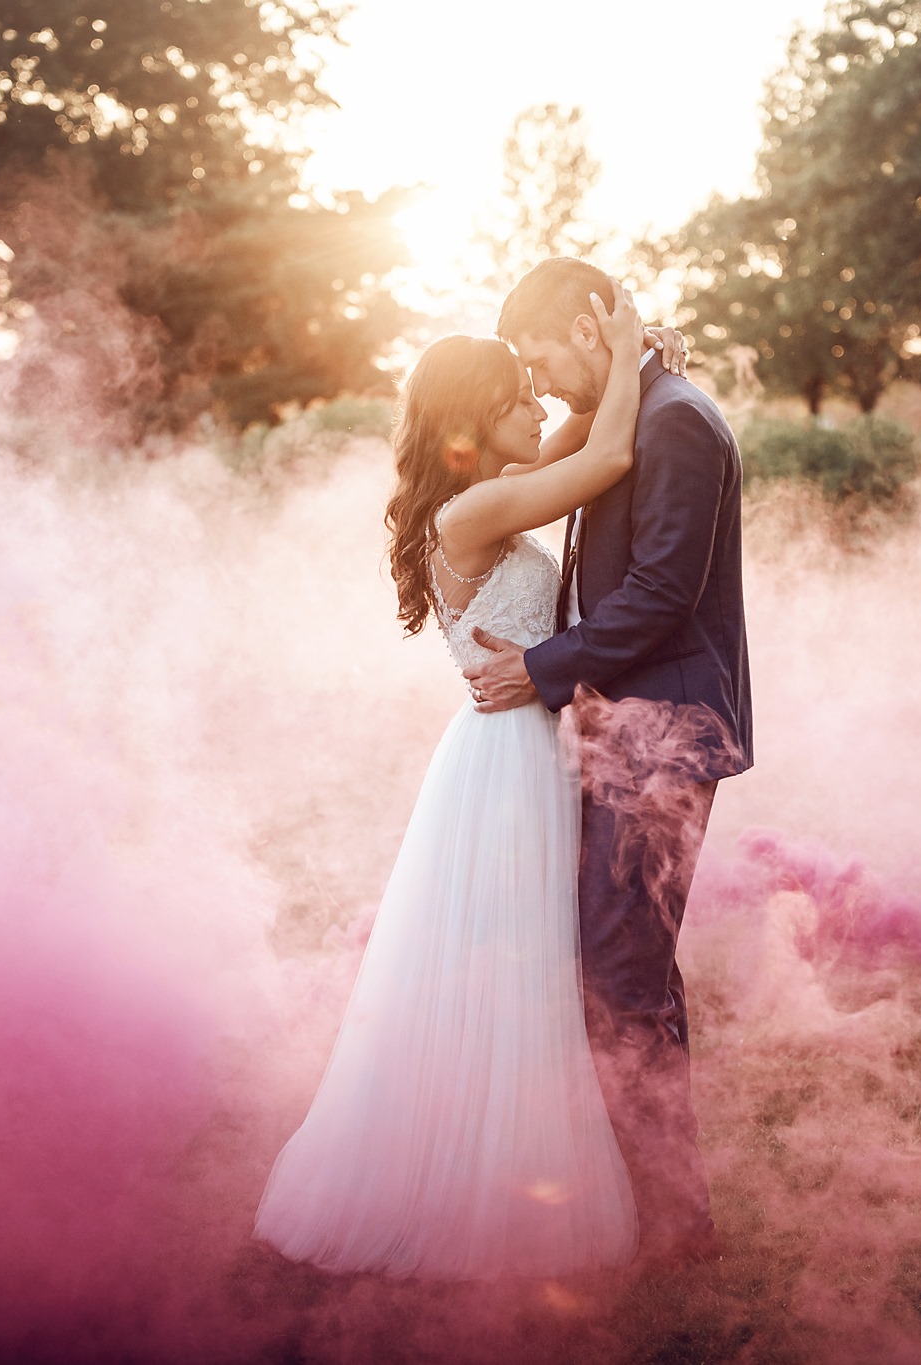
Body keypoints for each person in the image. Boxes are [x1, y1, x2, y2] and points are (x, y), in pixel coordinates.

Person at [253, 281, 690, 1279]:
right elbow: (611, 454)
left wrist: (612, 370)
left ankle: (500, 1160)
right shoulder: (480, 505)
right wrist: (625, 351)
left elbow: (584, 438)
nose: (540, 406)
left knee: (522, 956)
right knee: (518, 958)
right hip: (508, 757)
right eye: (520, 398)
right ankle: (481, 1186)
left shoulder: (479, 497)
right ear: (475, 420)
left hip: (513, 744)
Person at [464, 257, 753, 1266]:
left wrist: (536, 671)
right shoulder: (634, 411)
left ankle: (674, 1231)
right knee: (634, 969)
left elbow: (662, 593)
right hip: (629, 728)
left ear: (587, 326)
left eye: (539, 351)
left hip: (662, 731)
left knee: (616, 982)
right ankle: (667, 1214)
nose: (536, 380)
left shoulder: (673, 420)